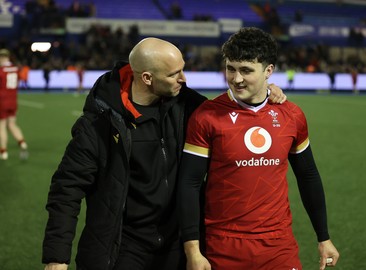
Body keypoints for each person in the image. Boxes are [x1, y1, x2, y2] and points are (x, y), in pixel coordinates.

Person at [42, 37, 287, 270]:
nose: (183, 78)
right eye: (173, 74)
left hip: (179, 244)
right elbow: (67, 189)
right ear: (147, 77)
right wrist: (56, 258)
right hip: (121, 247)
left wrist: (264, 93)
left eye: (182, 69)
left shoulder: (188, 104)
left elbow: (229, 116)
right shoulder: (98, 124)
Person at [177, 27, 340, 270]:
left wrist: (323, 236)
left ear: (269, 71)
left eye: (246, 70)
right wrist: (192, 249)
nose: (236, 78)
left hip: (279, 245)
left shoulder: (291, 115)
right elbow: (189, 183)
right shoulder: (207, 116)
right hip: (223, 244)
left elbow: (308, 176)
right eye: (230, 68)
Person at [0, 49, 28, 160]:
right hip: (13, 100)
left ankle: (3, 151)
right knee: (12, 124)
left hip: (2, 101)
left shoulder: (1, 70)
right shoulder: (15, 69)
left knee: (2, 126)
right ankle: (22, 142)